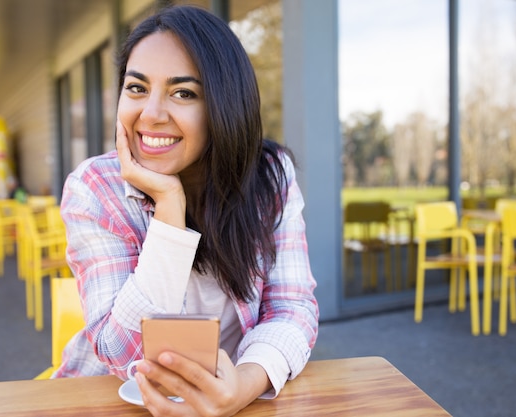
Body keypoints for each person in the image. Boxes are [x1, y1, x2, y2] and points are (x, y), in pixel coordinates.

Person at [53, 4, 319, 416]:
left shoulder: (269, 176)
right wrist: (169, 208)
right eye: (137, 88)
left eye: (184, 93)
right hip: (105, 402)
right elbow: (121, 353)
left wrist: (245, 384)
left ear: (224, 106)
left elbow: (292, 307)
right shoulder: (95, 188)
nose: (152, 114)